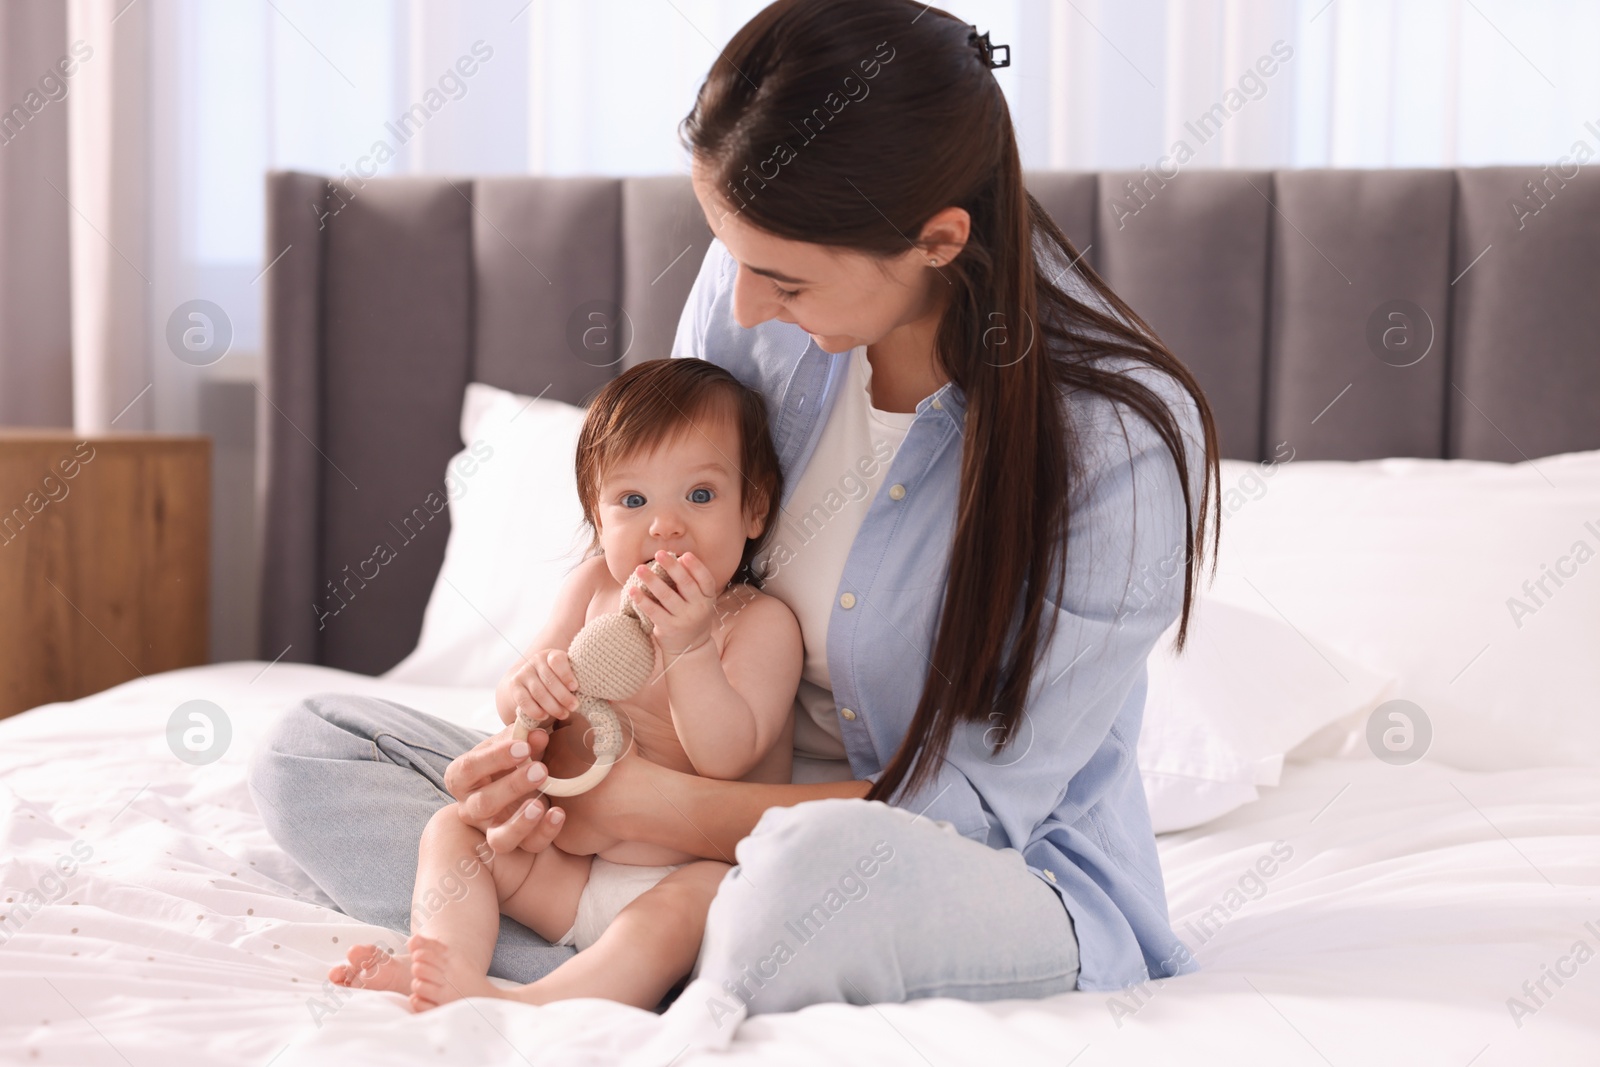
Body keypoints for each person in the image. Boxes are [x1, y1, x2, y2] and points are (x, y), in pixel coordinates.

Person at [247, 0, 1222, 1045]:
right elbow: (653, 564)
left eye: (784, 278)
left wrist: (641, 809)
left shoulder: (1114, 447)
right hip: (684, 822)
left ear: (939, 238)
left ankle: (618, 951)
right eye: (731, 256)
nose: (745, 312)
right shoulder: (750, 285)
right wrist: (537, 758)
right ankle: (618, 954)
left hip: (948, 862)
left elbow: (972, 808)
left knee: (802, 879)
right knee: (315, 749)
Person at [320, 358, 802, 1012]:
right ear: (598, 519)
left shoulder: (758, 622)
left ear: (754, 508)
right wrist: (531, 685)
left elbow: (728, 755)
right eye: (633, 501)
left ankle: (531, 1002)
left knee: (697, 900)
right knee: (453, 830)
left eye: (700, 495)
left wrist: (689, 647)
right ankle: (443, 963)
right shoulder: (591, 587)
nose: (664, 525)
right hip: (571, 875)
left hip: (687, 873)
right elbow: (518, 702)